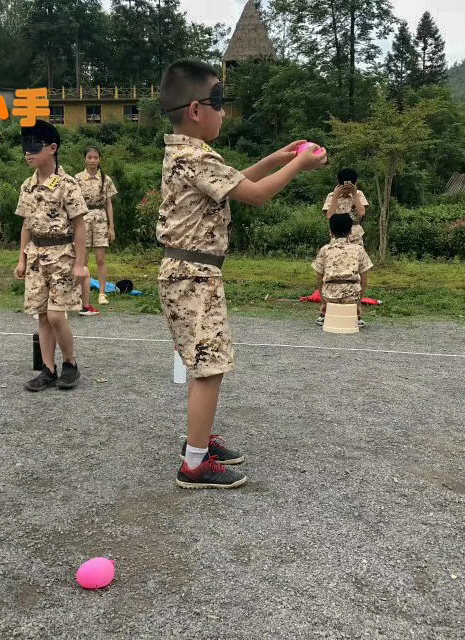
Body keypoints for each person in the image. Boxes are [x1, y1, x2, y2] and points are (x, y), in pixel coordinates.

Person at [157, 59, 327, 489]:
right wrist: (299, 166)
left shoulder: (188, 154)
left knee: (206, 364)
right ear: (197, 110)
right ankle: (195, 464)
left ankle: (200, 442)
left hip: (191, 272)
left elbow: (236, 182)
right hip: (193, 274)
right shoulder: (195, 156)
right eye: (219, 102)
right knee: (209, 367)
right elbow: (254, 195)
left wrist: (277, 156)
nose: (224, 112)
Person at [13, 120, 88, 392]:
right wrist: (21, 259)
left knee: (57, 316)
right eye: (25, 147)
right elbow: (25, 224)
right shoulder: (27, 186)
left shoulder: (68, 184)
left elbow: (80, 224)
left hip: (62, 255)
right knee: (42, 316)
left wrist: (80, 263)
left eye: (34, 146)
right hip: (35, 256)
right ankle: (48, 369)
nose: (28, 153)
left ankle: (70, 363)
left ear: (53, 148)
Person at [75, 147, 118, 316]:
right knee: (82, 259)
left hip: (100, 218)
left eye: (95, 157)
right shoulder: (77, 178)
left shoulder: (105, 179)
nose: (92, 160)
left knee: (101, 258)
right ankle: (81, 295)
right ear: (85, 159)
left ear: (100, 159)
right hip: (84, 218)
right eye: (89, 157)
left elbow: (109, 203)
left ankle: (101, 293)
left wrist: (111, 226)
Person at [312, 214, 373, 327]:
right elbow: (364, 280)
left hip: (329, 298)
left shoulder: (325, 250)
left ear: (331, 232)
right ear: (350, 231)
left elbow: (319, 279)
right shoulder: (359, 250)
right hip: (352, 298)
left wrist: (324, 302)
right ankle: (356, 317)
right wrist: (358, 304)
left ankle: (324, 315)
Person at [322, 168, 369, 247]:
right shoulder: (331, 196)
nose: (347, 190)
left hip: (355, 235)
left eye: (349, 186)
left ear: (355, 183)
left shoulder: (359, 194)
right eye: (344, 186)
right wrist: (336, 196)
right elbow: (329, 216)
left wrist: (354, 193)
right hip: (337, 236)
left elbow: (361, 213)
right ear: (339, 183)